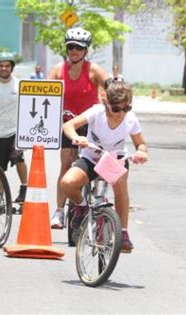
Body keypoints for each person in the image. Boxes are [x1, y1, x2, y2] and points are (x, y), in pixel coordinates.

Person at [61, 80, 148, 252]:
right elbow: (68, 125)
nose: (121, 113)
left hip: (114, 159)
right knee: (67, 183)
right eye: (116, 109)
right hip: (92, 158)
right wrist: (77, 137)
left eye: (126, 108)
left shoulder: (130, 119)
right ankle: (81, 206)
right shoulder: (97, 112)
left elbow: (141, 144)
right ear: (106, 103)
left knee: (121, 185)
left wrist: (142, 153)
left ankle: (123, 232)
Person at [47, 27, 109, 229]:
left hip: (91, 125)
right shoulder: (57, 71)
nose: (74, 50)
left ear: (86, 50)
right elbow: (44, 98)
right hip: (68, 125)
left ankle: (100, 196)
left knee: (98, 165)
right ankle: (59, 211)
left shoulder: (94, 70)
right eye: (71, 46)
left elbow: (115, 91)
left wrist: (117, 104)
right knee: (65, 165)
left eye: (79, 47)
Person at [0, 52, 28, 203]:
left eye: (7, 66)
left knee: (19, 157)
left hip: (16, 130)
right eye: (1, 66)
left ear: (12, 68)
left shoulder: (20, 85)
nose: (4, 68)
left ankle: (24, 188)